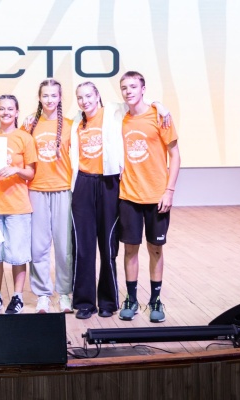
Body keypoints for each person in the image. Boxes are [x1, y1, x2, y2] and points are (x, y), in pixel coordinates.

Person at [70, 82, 170, 320]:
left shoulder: (114, 112)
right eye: (80, 97)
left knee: (108, 245)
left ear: (97, 96)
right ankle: (84, 302)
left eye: (89, 96)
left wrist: (160, 105)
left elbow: (138, 103)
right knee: (83, 246)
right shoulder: (75, 121)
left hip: (109, 183)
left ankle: (108, 301)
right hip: (83, 183)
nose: (85, 101)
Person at [117, 71, 181, 323]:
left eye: (133, 86)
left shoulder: (159, 117)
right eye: (124, 87)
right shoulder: (119, 119)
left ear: (143, 89)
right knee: (130, 250)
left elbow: (175, 155)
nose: (128, 91)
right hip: (129, 196)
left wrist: (169, 191)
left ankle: (155, 300)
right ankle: (131, 299)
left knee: (155, 249)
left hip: (157, 197)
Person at [0, 94, 37, 314]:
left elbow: (31, 173)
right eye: (2, 109)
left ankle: (17, 297)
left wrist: (16, 170)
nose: (6, 112)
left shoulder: (25, 138)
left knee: (18, 256)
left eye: (10, 109)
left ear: (17, 112)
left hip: (18, 207)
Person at [24, 79, 74, 314]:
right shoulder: (29, 125)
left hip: (63, 189)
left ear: (60, 97)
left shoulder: (71, 125)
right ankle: (43, 294)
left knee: (64, 247)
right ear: (39, 97)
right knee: (38, 247)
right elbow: (10, 141)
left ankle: (64, 293)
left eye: (54, 95)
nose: (50, 99)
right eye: (45, 95)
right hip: (36, 190)